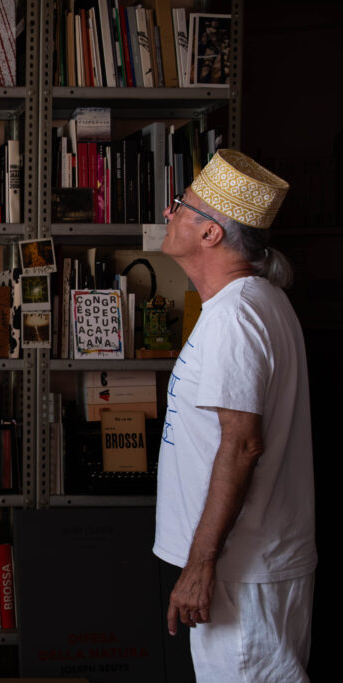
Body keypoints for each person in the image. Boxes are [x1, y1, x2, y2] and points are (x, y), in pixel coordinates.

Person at [153, 150, 317, 681]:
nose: (168, 213)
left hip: (240, 570)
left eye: (180, 205)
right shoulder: (250, 302)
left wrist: (201, 564)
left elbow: (243, 444)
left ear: (211, 233)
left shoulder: (236, 316)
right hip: (244, 567)